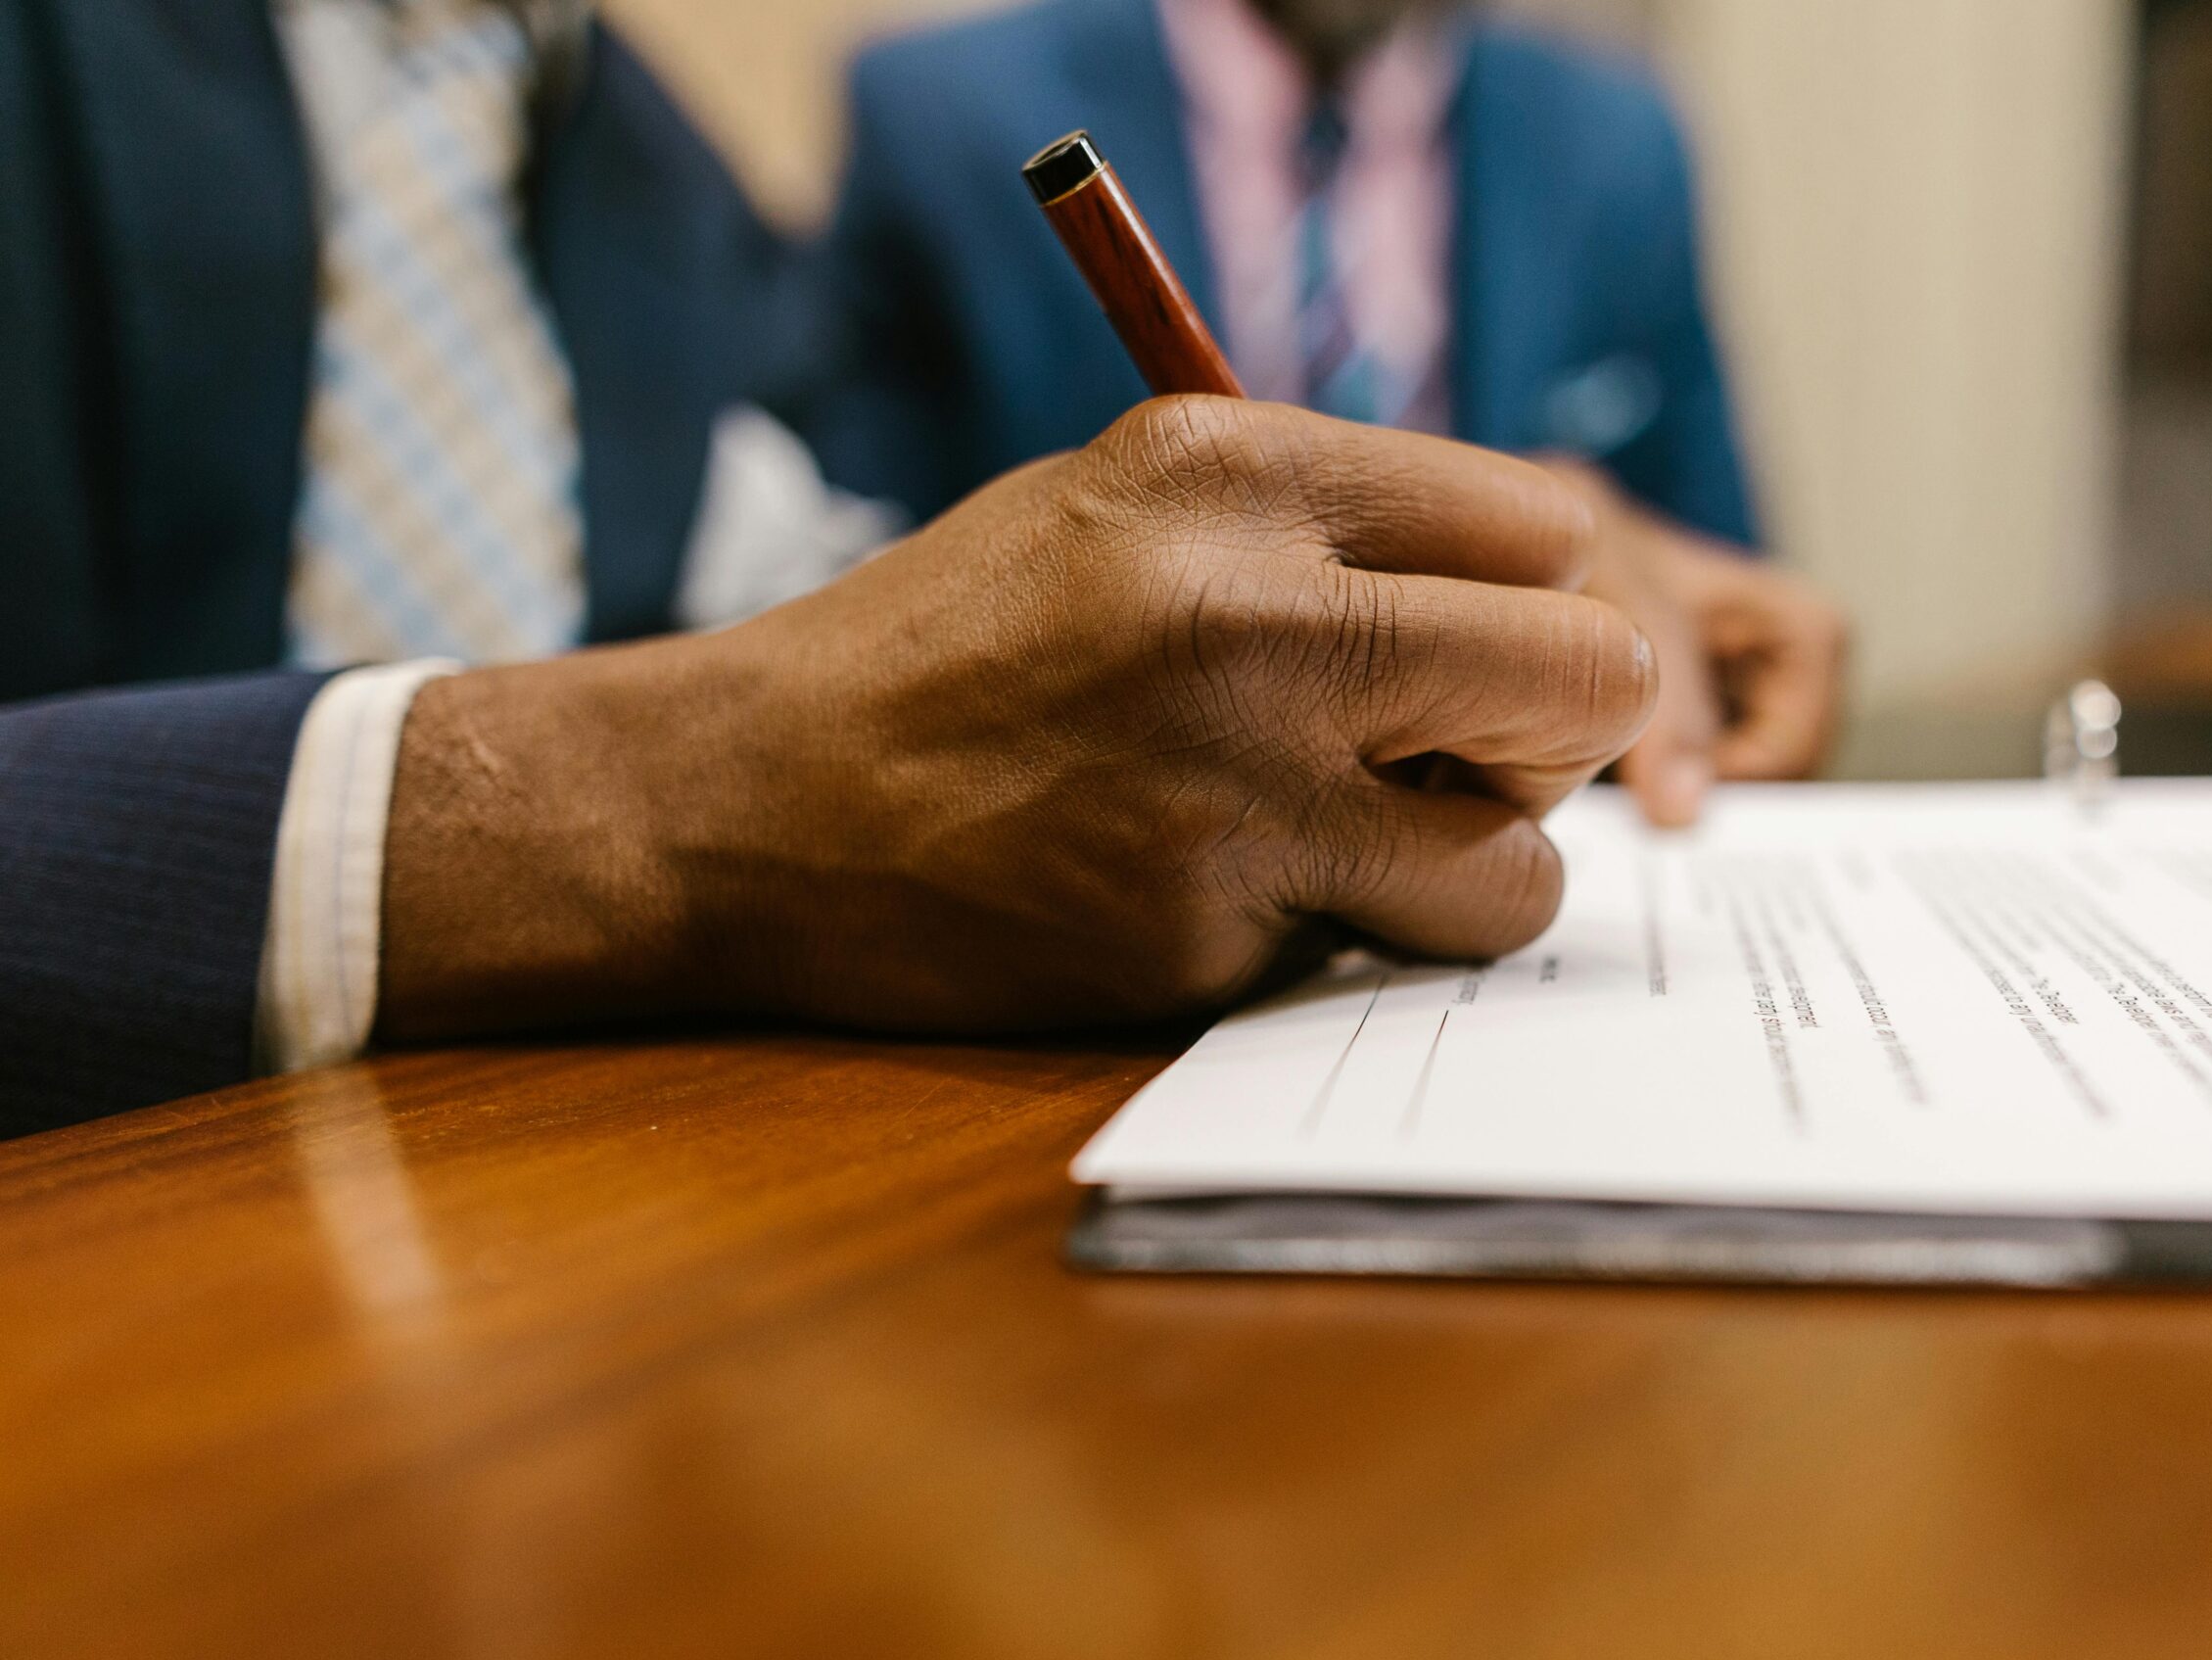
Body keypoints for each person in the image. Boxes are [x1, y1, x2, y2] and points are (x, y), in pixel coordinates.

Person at [0, 0, 1662, 1134]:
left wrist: (1391, 613)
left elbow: (810, 559)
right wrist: (656, 793)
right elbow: (795, 715)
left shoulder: (641, 163)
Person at [814, 0, 1846, 815]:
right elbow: (844, 613)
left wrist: (1697, 631)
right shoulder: (938, 112)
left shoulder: (1620, 141)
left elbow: (1717, 579)